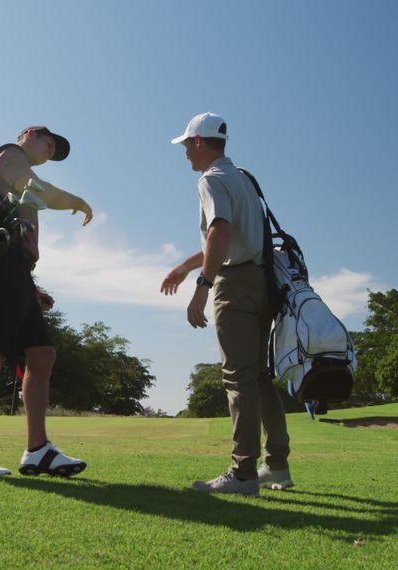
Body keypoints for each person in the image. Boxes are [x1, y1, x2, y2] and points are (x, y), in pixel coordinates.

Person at [0, 126, 93, 477]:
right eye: (48, 142)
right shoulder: (9, 156)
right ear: (29, 134)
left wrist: (30, 287)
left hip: (15, 274)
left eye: (54, 151)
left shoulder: (20, 172)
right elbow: (37, 191)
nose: (49, 152)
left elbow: (21, 234)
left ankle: (37, 449)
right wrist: (76, 201)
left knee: (42, 354)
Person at [161, 113, 293, 496]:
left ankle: (243, 472)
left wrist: (202, 284)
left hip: (234, 284)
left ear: (199, 142)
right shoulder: (242, 178)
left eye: (187, 144)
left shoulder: (211, 179)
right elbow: (226, 238)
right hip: (262, 283)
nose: (185, 152)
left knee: (238, 376)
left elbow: (219, 230)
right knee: (258, 376)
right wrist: (186, 268)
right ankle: (277, 466)